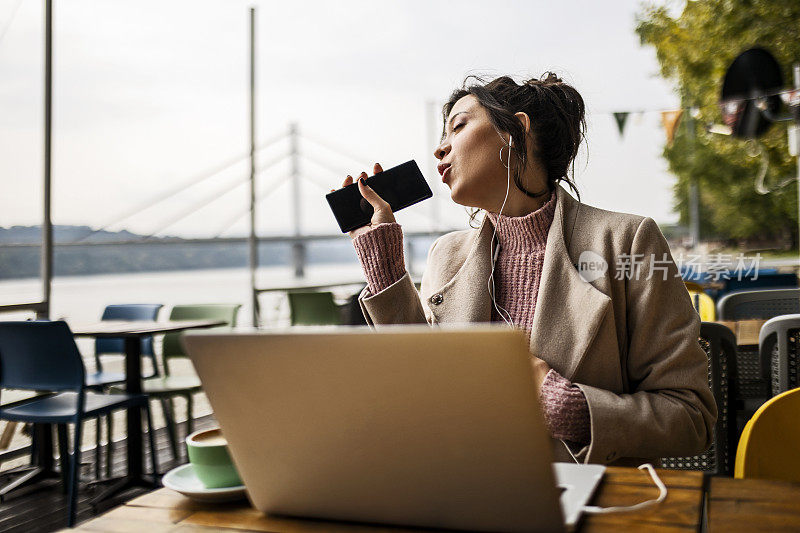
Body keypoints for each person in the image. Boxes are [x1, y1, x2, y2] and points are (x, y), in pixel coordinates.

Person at [337, 73, 717, 466]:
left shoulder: (628, 240)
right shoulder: (446, 255)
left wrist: (569, 409)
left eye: (459, 125)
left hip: (587, 501)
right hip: (463, 486)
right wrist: (384, 268)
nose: (440, 148)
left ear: (516, 130)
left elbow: (690, 416)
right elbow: (424, 389)